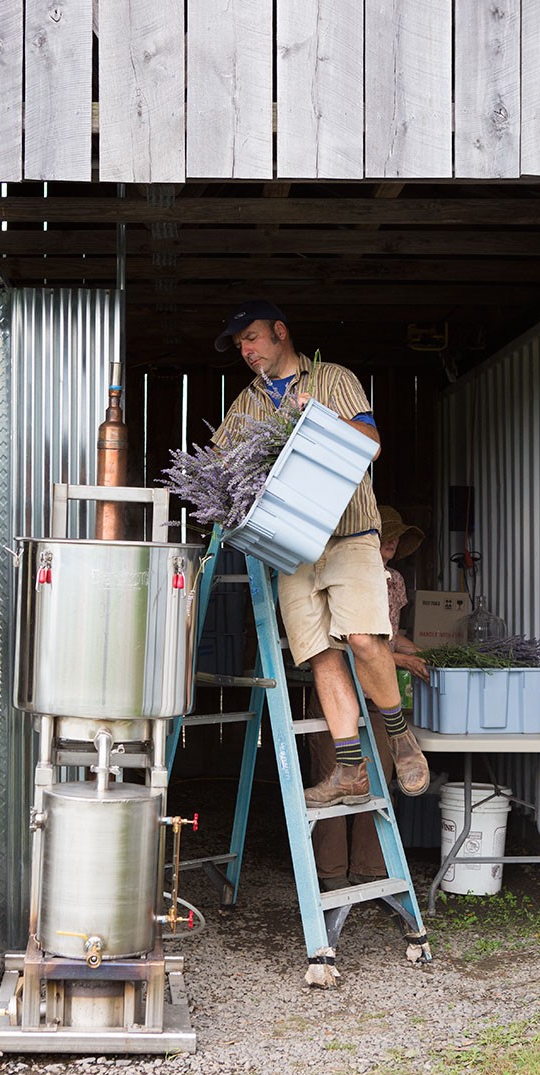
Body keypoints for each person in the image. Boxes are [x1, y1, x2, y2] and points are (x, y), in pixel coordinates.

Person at [212, 299, 430, 811]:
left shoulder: (332, 378)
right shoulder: (247, 403)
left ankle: (400, 739)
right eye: (240, 344)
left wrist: (319, 417)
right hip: (290, 546)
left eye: (252, 338)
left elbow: (372, 443)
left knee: (364, 638)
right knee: (320, 656)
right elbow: (220, 466)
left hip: (349, 533)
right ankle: (351, 771)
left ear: (281, 332)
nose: (246, 350)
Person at [309, 506, 430, 888]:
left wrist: (420, 652)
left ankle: (370, 868)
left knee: (380, 778)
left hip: (379, 693)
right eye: (385, 535)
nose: (391, 542)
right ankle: (330, 873)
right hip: (340, 688)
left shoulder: (394, 581)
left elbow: (389, 636)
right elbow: (347, 644)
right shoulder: (338, 575)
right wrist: (401, 660)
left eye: (396, 537)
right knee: (336, 776)